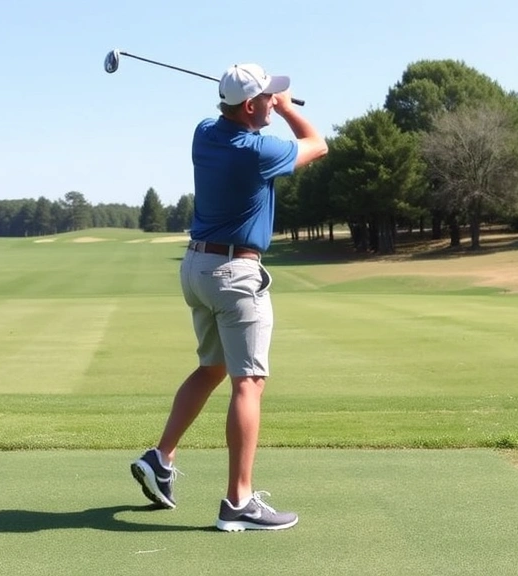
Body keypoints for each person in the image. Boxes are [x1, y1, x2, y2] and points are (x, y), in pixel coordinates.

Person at [131, 63, 328, 531]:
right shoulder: (257, 150)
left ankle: (161, 458)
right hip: (235, 273)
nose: (274, 101)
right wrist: (286, 110)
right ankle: (238, 503)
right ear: (251, 105)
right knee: (249, 382)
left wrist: (267, 102)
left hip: (197, 268)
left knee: (212, 367)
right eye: (267, 97)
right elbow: (318, 145)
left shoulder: (205, 132)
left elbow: (229, 116)